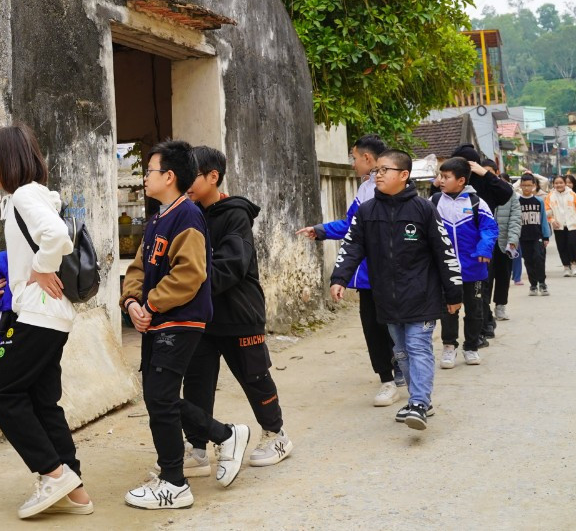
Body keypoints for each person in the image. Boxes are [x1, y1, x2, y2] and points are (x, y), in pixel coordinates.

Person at [121, 140, 247, 510]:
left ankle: (174, 482)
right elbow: (138, 269)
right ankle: (224, 436)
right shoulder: (158, 217)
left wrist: (151, 303)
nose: (144, 178)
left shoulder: (188, 216)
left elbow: (190, 274)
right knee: (158, 397)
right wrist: (131, 302)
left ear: (169, 176)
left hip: (180, 320)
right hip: (157, 321)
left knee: (159, 398)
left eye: (149, 171)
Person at [0, 124, 93, 519]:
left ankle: (53, 472)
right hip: (47, 314)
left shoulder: (25, 195)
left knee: (2, 394)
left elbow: (56, 235)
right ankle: (75, 490)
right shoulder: (32, 196)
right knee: (43, 401)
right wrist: (20, 275)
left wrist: (42, 269)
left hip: (38, 314)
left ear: (9, 161)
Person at [331, 149, 462, 430]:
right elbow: (352, 246)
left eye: (384, 170)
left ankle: (417, 402)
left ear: (403, 175)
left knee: (417, 346)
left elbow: (444, 252)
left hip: (421, 295)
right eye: (376, 170)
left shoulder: (424, 209)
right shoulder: (367, 212)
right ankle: (421, 401)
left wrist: (454, 293)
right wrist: (339, 278)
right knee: (400, 352)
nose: (377, 175)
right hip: (387, 298)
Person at [183, 146, 292, 471]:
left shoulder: (235, 214)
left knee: (254, 376)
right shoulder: (192, 215)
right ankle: (198, 446)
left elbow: (232, 264)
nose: (185, 182)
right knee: (197, 382)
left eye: (192, 175)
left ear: (213, 176)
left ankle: (276, 433)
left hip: (239, 315)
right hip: (203, 316)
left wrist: (188, 286)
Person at [295, 135, 400, 406]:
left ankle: (409, 374)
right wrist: (320, 230)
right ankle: (386, 378)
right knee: (373, 327)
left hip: (399, 274)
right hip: (368, 275)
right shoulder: (364, 189)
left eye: (354, 158)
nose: (352, 164)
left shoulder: (401, 187)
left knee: (401, 325)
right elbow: (351, 227)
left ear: (367, 158)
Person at [432, 158, 497, 368]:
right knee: (448, 310)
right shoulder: (434, 202)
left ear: (461, 181)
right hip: (445, 270)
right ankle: (449, 347)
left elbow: (489, 228)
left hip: (474, 268)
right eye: (440, 176)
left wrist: (484, 249)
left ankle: (471, 347)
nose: (440, 180)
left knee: (475, 309)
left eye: (445, 177)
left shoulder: (476, 202)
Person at [483, 162, 520, 330]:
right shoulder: (478, 191)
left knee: (504, 276)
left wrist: (513, 239)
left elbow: (515, 218)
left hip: (505, 241)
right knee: (486, 277)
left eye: (489, 172)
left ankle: (500, 305)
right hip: (486, 242)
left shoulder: (509, 192)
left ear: (496, 173)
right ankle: (485, 309)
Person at [546, 175, 576, 278]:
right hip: (559, 226)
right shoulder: (550, 196)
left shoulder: (572, 194)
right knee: (562, 246)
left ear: (565, 183)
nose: (559, 185)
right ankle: (566, 267)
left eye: (561, 183)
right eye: (556, 183)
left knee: (573, 244)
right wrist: (552, 220)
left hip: (573, 225)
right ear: (553, 184)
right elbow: (547, 211)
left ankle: (574, 265)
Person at [516, 174, 552, 296]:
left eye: (529, 185)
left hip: (538, 236)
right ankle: (533, 285)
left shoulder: (539, 201)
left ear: (534, 186)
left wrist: (546, 236)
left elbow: (543, 220)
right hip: (523, 237)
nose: (526, 188)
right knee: (528, 261)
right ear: (520, 186)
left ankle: (542, 283)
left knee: (539, 258)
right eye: (524, 185)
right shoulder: (517, 201)